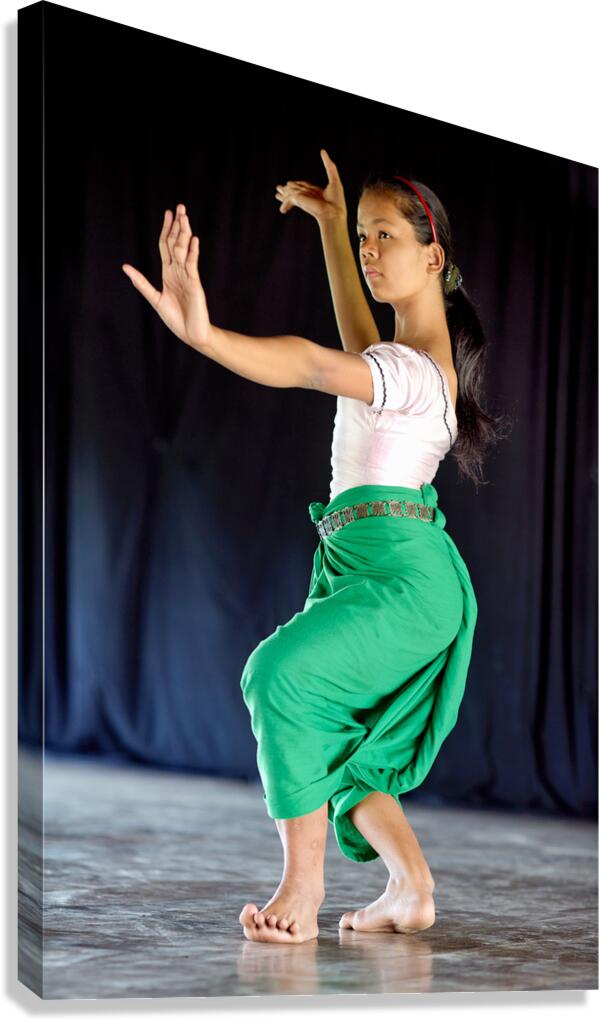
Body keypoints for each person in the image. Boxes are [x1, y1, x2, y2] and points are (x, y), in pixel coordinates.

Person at [122, 151, 504, 946]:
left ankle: (303, 881)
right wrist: (333, 227)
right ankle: (411, 886)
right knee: (341, 743)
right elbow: (352, 335)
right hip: (371, 566)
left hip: (400, 574)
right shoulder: (402, 362)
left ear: (433, 254)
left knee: (278, 676)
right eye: (365, 235)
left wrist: (205, 334)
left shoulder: (407, 372)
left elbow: (306, 360)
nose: (371, 250)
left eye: (385, 235)